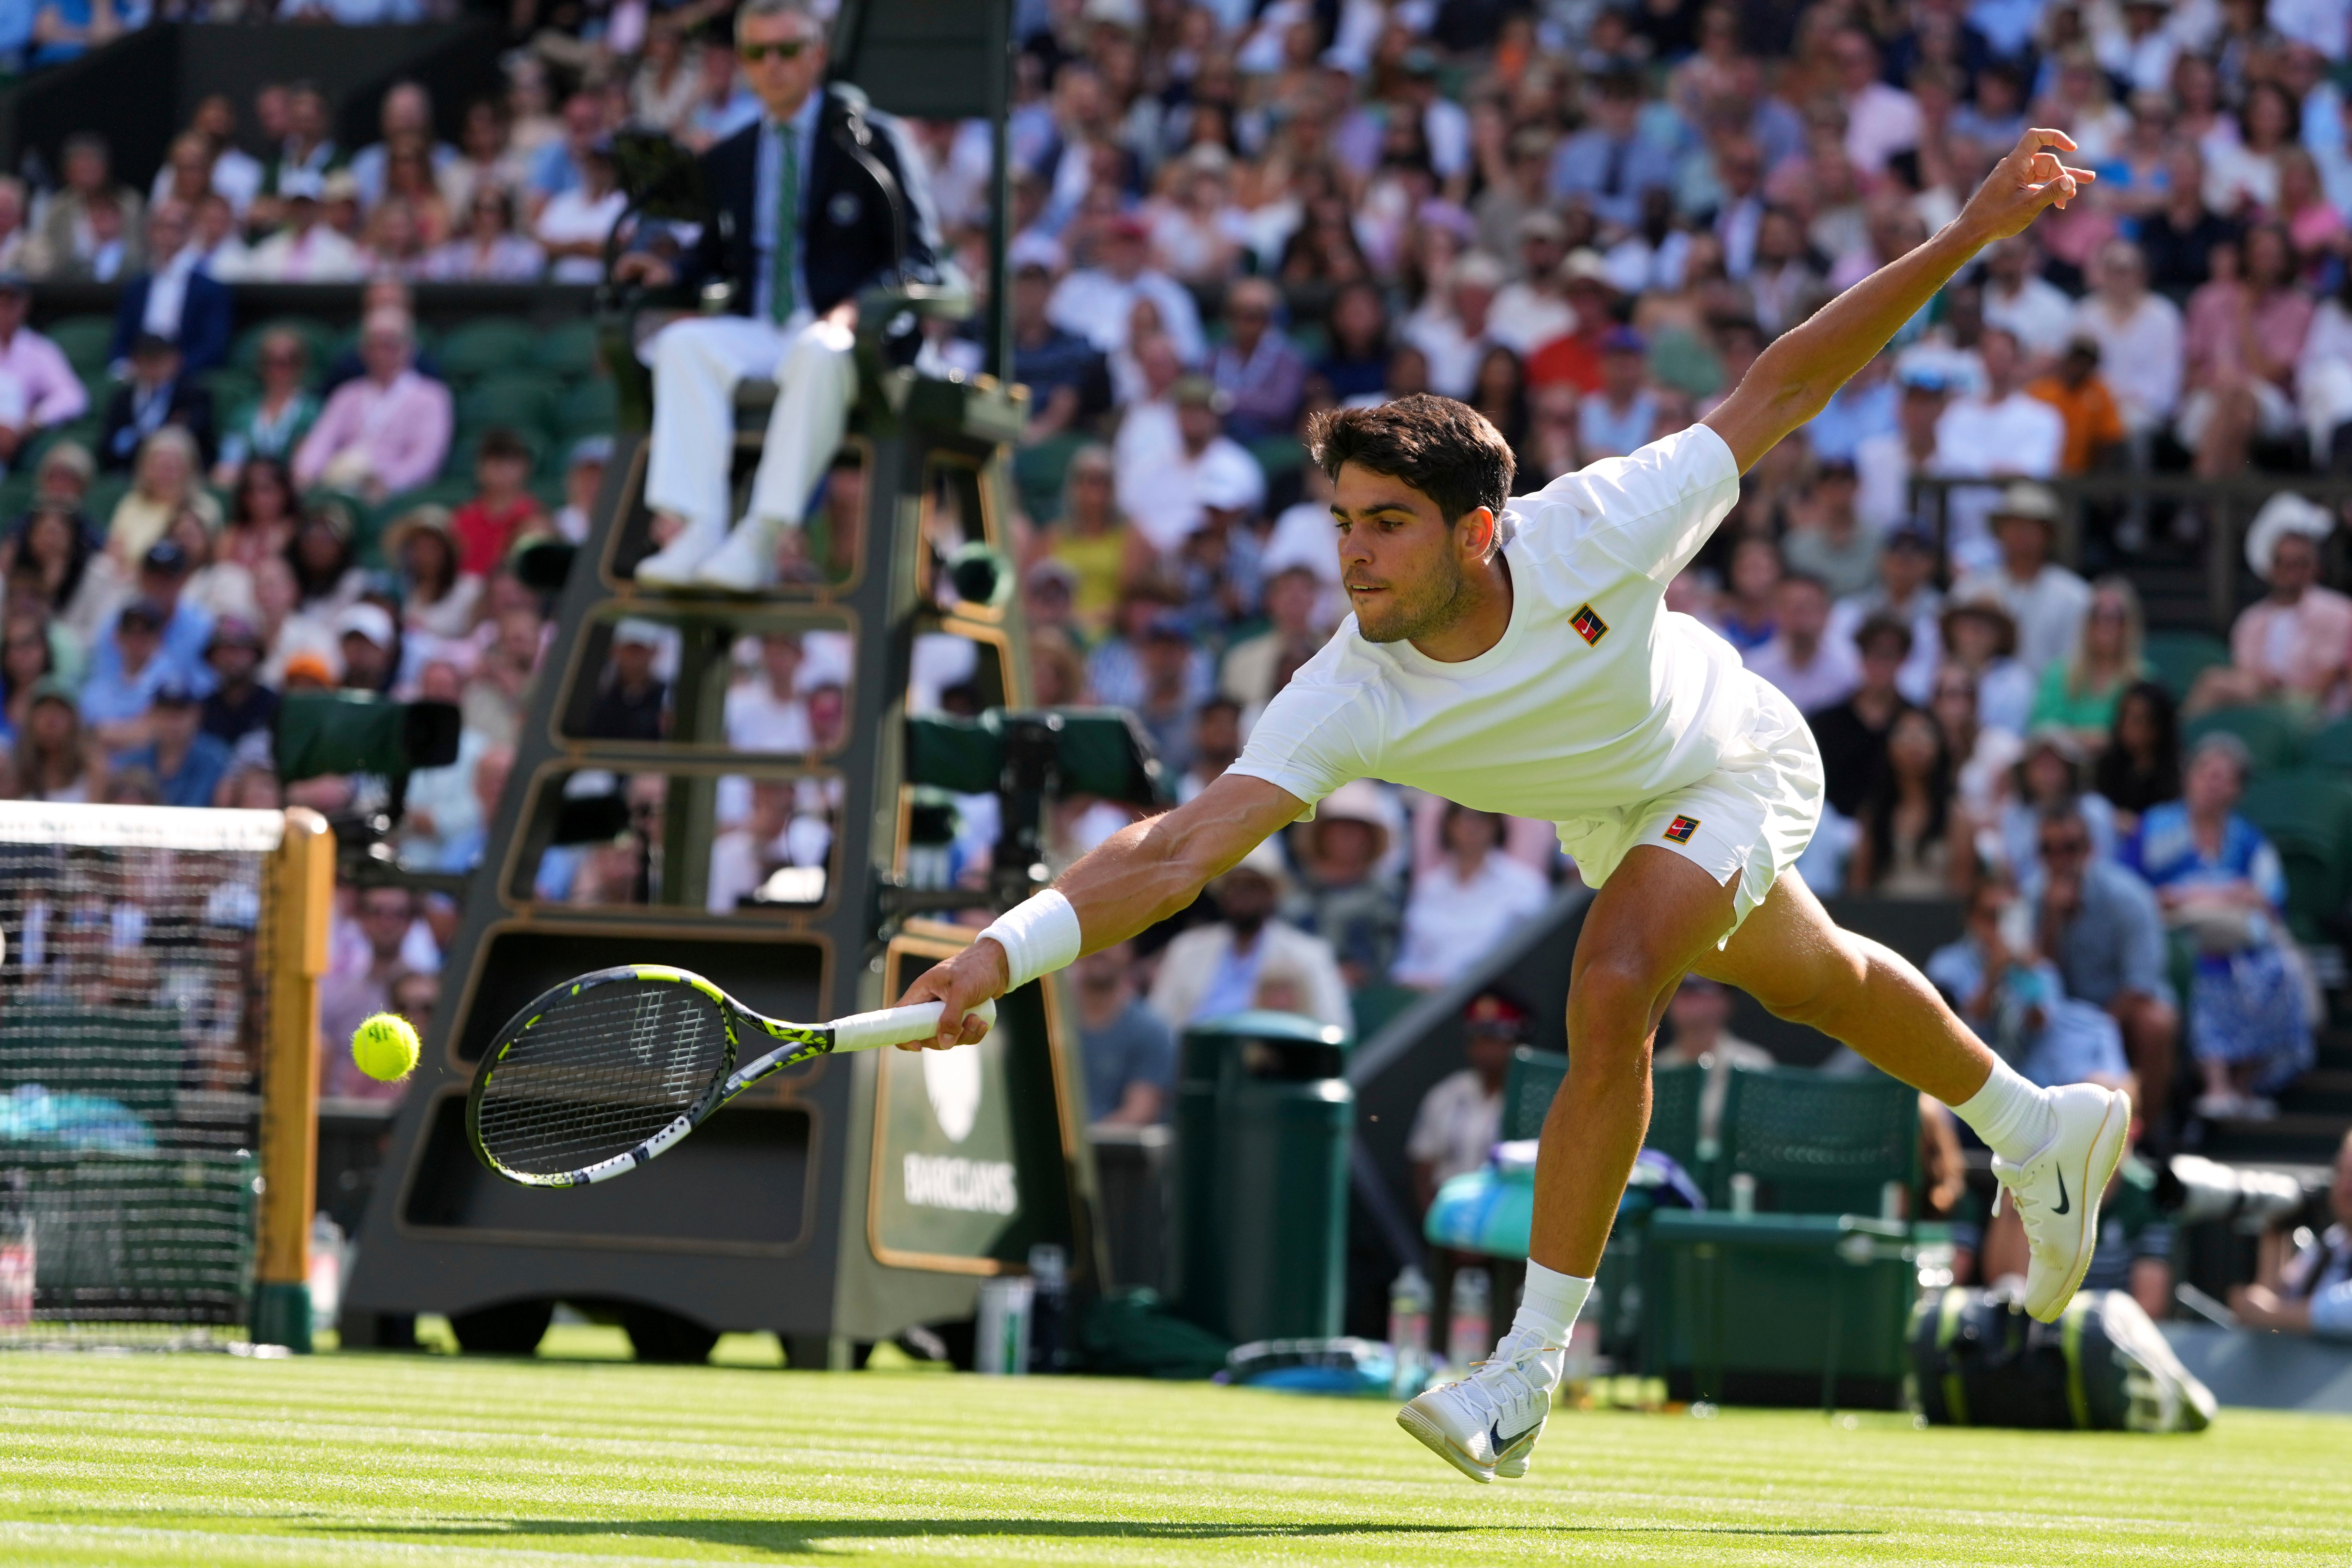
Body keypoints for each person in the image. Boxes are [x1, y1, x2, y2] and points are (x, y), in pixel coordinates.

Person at [901, 131, 2130, 1483]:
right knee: (1819, 980)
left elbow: (1785, 383)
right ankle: (2036, 1123)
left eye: (1385, 523)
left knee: (1610, 983)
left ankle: (1521, 1374)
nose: (1352, 553)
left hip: (1731, 758)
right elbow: (1182, 843)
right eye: (1342, 519)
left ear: (1476, 530)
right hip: (1614, 810)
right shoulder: (1346, 686)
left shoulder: (1600, 521)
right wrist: (1002, 949)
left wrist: (1965, 237)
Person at [623, 0, 943, 595]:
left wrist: (855, 310)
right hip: (764, 326)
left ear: (817, 56)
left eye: (788, 50)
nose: (773, 65)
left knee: (820, 350)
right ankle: (697, 526)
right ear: (742, 63)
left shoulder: (872, 141)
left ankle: (763, 535)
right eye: (756, 53)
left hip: (846, 336)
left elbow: (919, 259)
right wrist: (665, 273)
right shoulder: (732, 155)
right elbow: (716, 262)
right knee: (684, 344)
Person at [2124, 735, 2315, 1120]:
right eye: (2205, 773)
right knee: (2207, 962)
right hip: (2176, 935)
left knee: (2273, 969)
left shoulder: (2247, 839)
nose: (2211, 784)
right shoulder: (2157, 826)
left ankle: (2244, 1084)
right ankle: (2215, 1083)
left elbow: (2271, 896)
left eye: (2223, 778)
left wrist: (2232, 893)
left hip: (2241, 940)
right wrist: (2177, 896)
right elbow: (2127, 887)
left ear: (2237, 789)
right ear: (2189, 777)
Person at [2030, 803, 2181, 1141]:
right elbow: (2033, 978)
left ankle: (2142, 1136)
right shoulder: (2031, 898)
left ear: (2089, 849)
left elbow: (2140, 984)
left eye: (2069, 847)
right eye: (2047, 849)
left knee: (2155, 1021)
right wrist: (2052, 922)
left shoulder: (2128, 897)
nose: (2059, 858)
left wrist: (2095, 1028)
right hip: (2061, 1015)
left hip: (2119, 1011)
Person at [1928, 874, 2133, 1090]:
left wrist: (2030, 984)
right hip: (1962, 1082)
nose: (1998, 927)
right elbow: (1948, 1034)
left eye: (2006, 916)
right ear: (1971, 918)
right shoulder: (1947, 966)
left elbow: (2042, 1025)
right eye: (1991, 916)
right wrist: (1992, 979)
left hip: (2028, 1084)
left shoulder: (2038, 969)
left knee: (2107, 1065)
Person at [1146, 841, 1350, 1035]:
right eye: (1234, 885)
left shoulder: (1309, 955)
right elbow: (1159, 1026)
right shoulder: (1186, 949)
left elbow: (1333, 1027)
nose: (1242, 894)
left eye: (1253, 885)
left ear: (1271, 893)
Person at [2188, 493, 2351, 714]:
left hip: (2311, 713)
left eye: (2301, 564)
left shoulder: (2338, 611)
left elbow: (2321, 685)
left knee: (2214, 683)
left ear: (2315, 567)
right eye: (2285, 564)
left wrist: (2273, 688)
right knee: (2215, 684)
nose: (2293, 573)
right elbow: (2245, 676)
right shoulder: (2251, 620)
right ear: (2271, 567)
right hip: (2259, 710)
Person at [292, 311, 452, 504]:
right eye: (374, 346)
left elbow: (426, 459)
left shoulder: (431, 397)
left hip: (394, 494)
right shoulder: (347, 394)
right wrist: (305, 473)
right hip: (339, 486)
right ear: (363, 351)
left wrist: (388, 482)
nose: (381, 354)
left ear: (408, 348)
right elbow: (320, 442)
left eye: (390, 345)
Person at [1393, 803, 1552, 991]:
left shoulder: (1526, 885)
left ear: (1496, 825)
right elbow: (1408, 962)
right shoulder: (1429, 888)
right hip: (1427, 1004)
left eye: (1481, 817)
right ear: (1448, 825)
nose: (1471, 826)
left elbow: (1536, 955)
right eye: (1462, 817)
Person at [1951, 481, 2091, 676]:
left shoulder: (2076, 596)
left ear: (2049, 535)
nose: (2022, 533)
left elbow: (2076, 666)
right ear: (2000, 531)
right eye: (2014, 525)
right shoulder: (1969, 589)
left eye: (2031, 526)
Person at [1281, 778, 1402, 989]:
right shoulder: (1295, 898)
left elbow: (1389, 957)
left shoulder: (1389, 895)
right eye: (1339, 826)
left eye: (1357, 828)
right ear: (1322, 833)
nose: (1348, 835)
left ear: (1370, 838)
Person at [2231, 1130, 2352, 1340]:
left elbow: (2345, 1314)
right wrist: (2275, 1233)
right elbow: (2271, 1303)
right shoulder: (2331, 1247)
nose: (2347, 1187)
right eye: (2342, 1172)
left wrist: (2268, 1314)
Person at [106, 203, 231, 376]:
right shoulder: (137, 288)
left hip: (185, 377)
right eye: (160, 227)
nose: (166, 235)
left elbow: (213, 347)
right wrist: (124, 368)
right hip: (138, 373)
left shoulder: (209, 289)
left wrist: (174, 368)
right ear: (151, 232)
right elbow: (121, 341)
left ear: (189, 232)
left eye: (175, 228)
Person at [1652, 976, 1773, 1149]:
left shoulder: (1756, 1065)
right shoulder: (1655, 1070)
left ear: (1726, 1002)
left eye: (1703, 987)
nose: (1689, 996)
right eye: (1679, 987)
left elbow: (1765, 1141)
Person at [2029, 575, 2146, 747]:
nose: (2105, 623)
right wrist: (2104, 739)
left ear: (2130, 624)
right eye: (2097, 614)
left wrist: (2075, 737)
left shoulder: (2143, 679)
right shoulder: (2058, 674)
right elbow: (2041, 733)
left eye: (2116, 616)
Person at [1072, 942, 1175, 1125]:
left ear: (1129, 950)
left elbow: (1139, 1114)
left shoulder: (1151, 1030)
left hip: (1112, 1152)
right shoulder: (1048, 1025)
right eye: (1093, 935)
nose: (1100, 948)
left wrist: (1078, 1146)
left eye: (1112, 937)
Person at [1742, 572, 1860, 713]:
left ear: (1827, 613)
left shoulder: (1853, 669)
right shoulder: (1753, 670)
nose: (1801, 615)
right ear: (1775, 613)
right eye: (1792, 607)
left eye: (1809, 606)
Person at [98, 332, 214, 474]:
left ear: (175, 361)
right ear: (135, 363)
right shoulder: (122, 399)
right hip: (128, 471)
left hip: (177, 472)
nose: (154, 369)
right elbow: (108, 446)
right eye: (147, 361)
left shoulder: (193, 396)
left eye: (159, 361)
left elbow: (197, 440)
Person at [2093, 681, 2181, 837]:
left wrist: (2140, 825)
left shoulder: (2177, 774)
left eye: (2137, 720)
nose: (2127, 725)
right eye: (2124, 716)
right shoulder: (2106, 764)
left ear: (2157, 727)